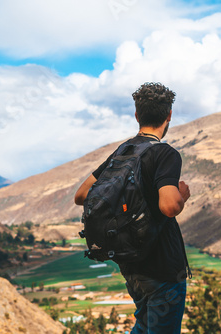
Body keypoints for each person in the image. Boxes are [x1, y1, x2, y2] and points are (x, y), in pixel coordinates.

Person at [74, 82, 191, 333]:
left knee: (144, 323)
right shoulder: (164, 154)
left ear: (137, 115)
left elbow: (82, 195)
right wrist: (182, 195)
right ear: (169, 115)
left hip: (132, 265)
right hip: (163, 267)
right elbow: (169, 206)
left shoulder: (123, 152)